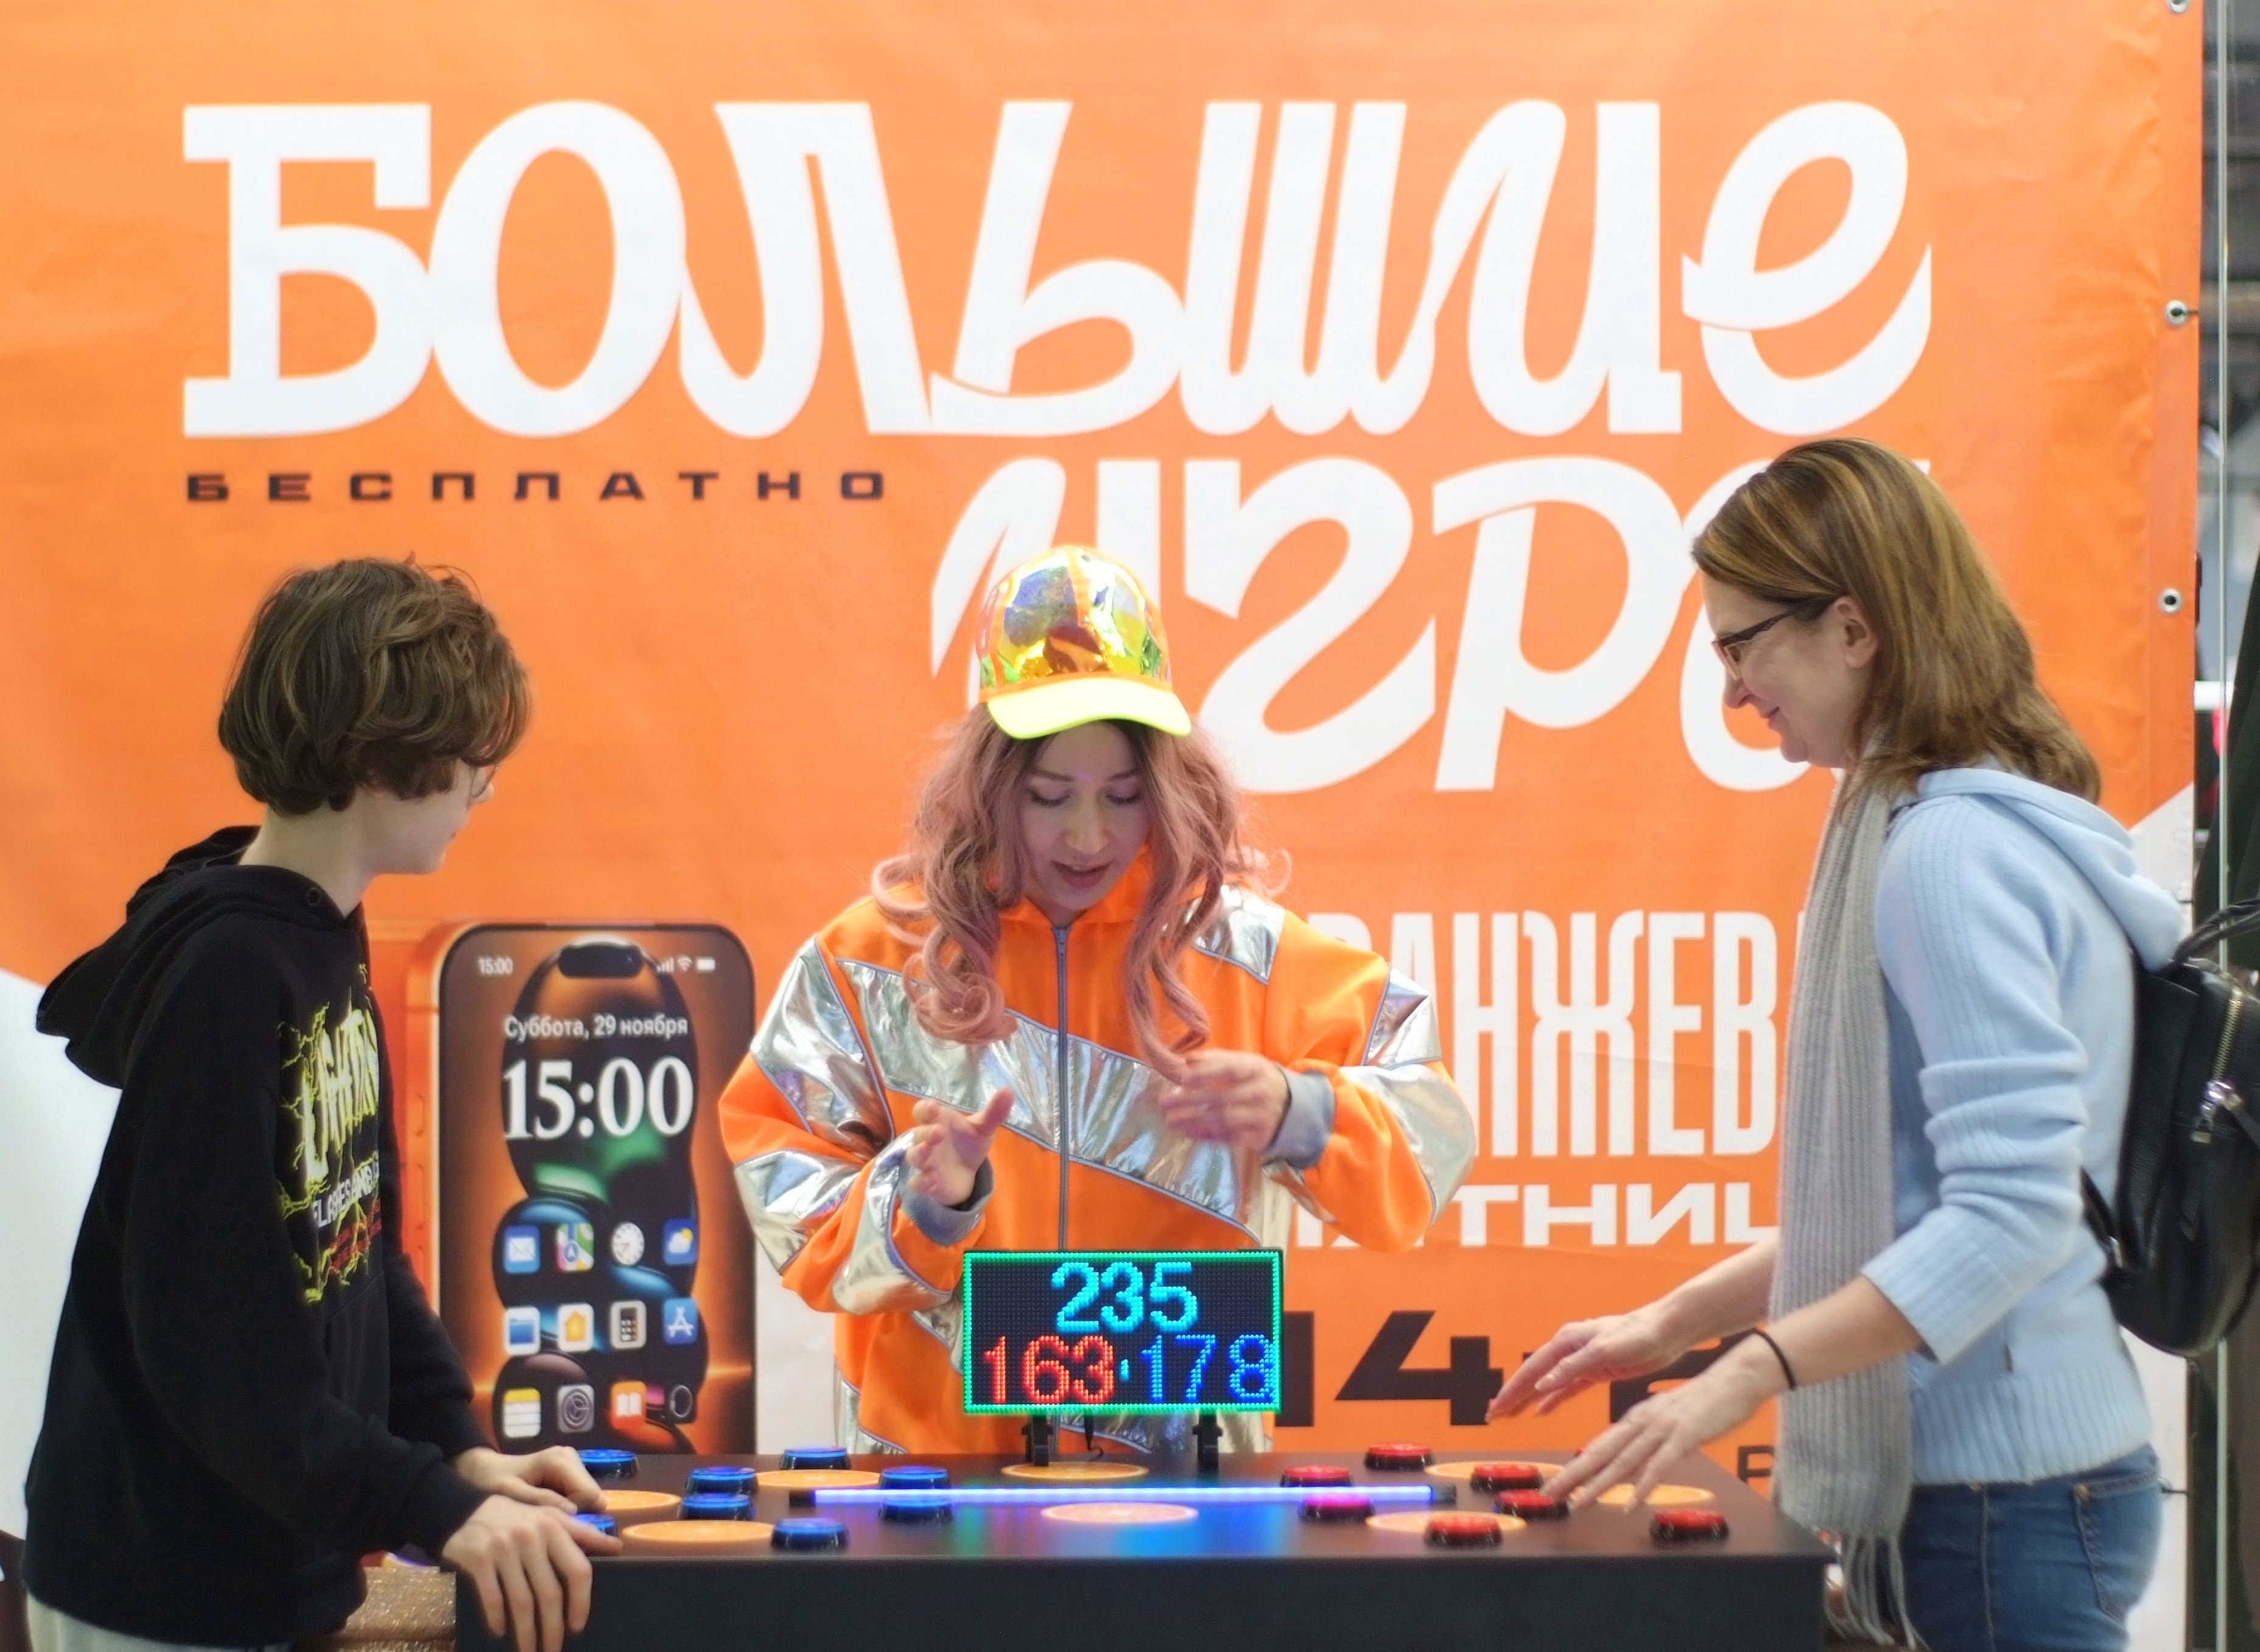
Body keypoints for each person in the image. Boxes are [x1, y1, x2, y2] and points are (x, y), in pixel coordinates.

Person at [1488, 440, 2180, 1651]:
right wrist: (1670, 1324)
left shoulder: (1943, 853)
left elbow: (2008, 1213)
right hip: (2013, 1495)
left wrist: (1749, 1368)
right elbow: (1889, 1209)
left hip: (2000, 1504)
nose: (1732, 693)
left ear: (1851, 628)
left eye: (1739, 646)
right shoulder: (1957, 825)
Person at [720, 544, 1474, 1453]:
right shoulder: (876, 960)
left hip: (1193, 1496)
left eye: (1122, 796)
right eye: (1050, 797)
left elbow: (1431, 1130)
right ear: (991, 786)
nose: (1088, 837)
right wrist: (921, 1205)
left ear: (1166, 786)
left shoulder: (1249, 954)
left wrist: (1300, 1111)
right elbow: (780, 1174)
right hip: (935, 1490)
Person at [23, 561, 618, 1652]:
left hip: (261, 1565)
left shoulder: (317, 931)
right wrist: (434, 1510)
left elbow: (358, 1243)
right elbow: (217, 1357)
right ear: (386, 762)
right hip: (163, 1591)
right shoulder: (230, 977)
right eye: (471, 764)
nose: (483, 794)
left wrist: (456, 1451)